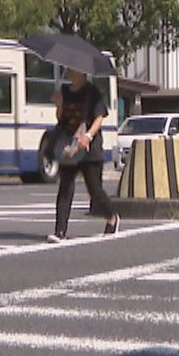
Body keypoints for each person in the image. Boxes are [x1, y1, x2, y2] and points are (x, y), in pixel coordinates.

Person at [50, 66, 119, 242]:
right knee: (65, 186)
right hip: (69, 146)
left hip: (89, 148)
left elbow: (99, 117)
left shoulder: (92, 92)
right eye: (68, 69)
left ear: (82, 72)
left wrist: (88, 136)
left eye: (73, 70)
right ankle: (60, 231)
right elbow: (61, 119)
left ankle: (111, 217)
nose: (70, 72)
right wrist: (59, 105)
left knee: (94, 190)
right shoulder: (64, 91)